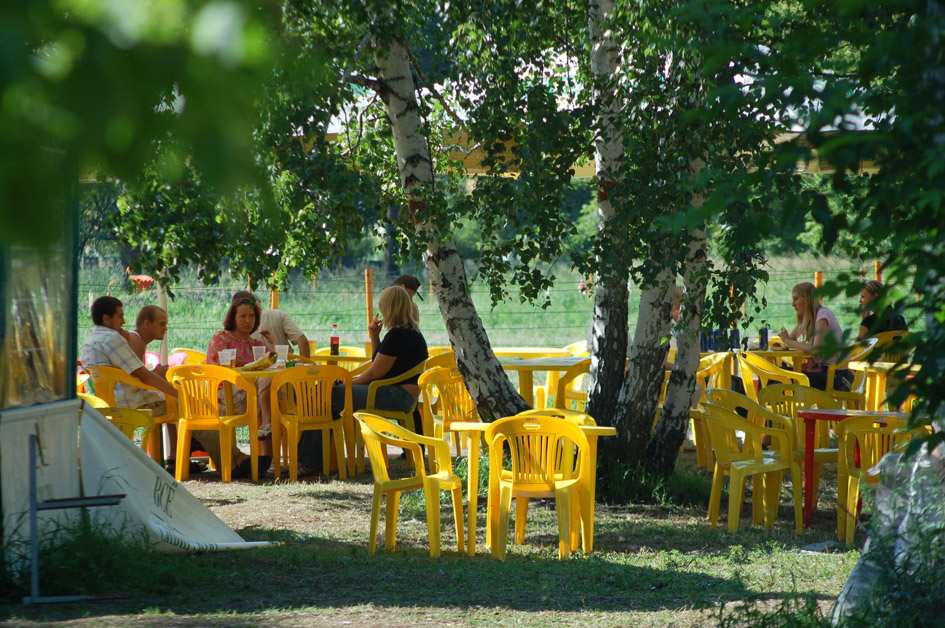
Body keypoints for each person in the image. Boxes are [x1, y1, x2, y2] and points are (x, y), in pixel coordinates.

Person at [293, 286, 428, 478]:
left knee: (325, 395)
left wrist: (347, 383)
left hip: (396, 395)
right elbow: (380, 365)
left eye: (382, 307)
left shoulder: (397, 335)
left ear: (389, 308)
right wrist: (375, 337)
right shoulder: (410, 332)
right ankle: (313, 460)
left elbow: (374, 373)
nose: (381, 312)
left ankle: (308, 462)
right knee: (327, 396)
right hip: (400, 395)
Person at [206, 295, 276, 474]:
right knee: (267, 387)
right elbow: (216, 369)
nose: (248, 321)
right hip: (225, 397)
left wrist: (274, 346)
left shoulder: (257, 344)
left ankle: (269, 458)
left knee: (275, 387)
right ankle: (267, 425)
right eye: (243, 316)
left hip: (253, 397)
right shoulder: (222, 338)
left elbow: (275, 364)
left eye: (251, 316)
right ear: (233, 317)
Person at [125, 304, 197, 476]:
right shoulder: (136, 341)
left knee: (172, 400)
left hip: (131, 398)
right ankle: (179, 458)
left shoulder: (136, 340)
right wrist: (158, 376)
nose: (165, 329)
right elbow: (140, 379)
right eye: (161, 324)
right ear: (147, 323)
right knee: (180, 403)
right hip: (133, 402)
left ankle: (176, 457)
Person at [81, 296, 178, 416]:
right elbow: (144, 376)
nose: (124, 322)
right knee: (185, 405)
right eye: (120, 316)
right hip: (134, 404)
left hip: (109, 403)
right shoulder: (112, 338)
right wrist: (180, 393)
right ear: (106, 319)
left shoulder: (89, 341)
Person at [777, 282, 852, 391]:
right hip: (824, 371)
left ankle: (772, 402)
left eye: (796, 299)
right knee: (775, 374)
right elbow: (791, 338)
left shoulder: (823, 315)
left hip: (838, 376)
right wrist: (788, 338)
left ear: (807, 299)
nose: (793, 304)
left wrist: (787, 340)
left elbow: (815, 350)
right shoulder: (810, 317)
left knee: (779, 379)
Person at [232, 290, 311, 358]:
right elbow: (303, 341)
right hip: (285, 368)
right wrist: (305, 367)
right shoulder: (278, 315)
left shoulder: (232, 333)